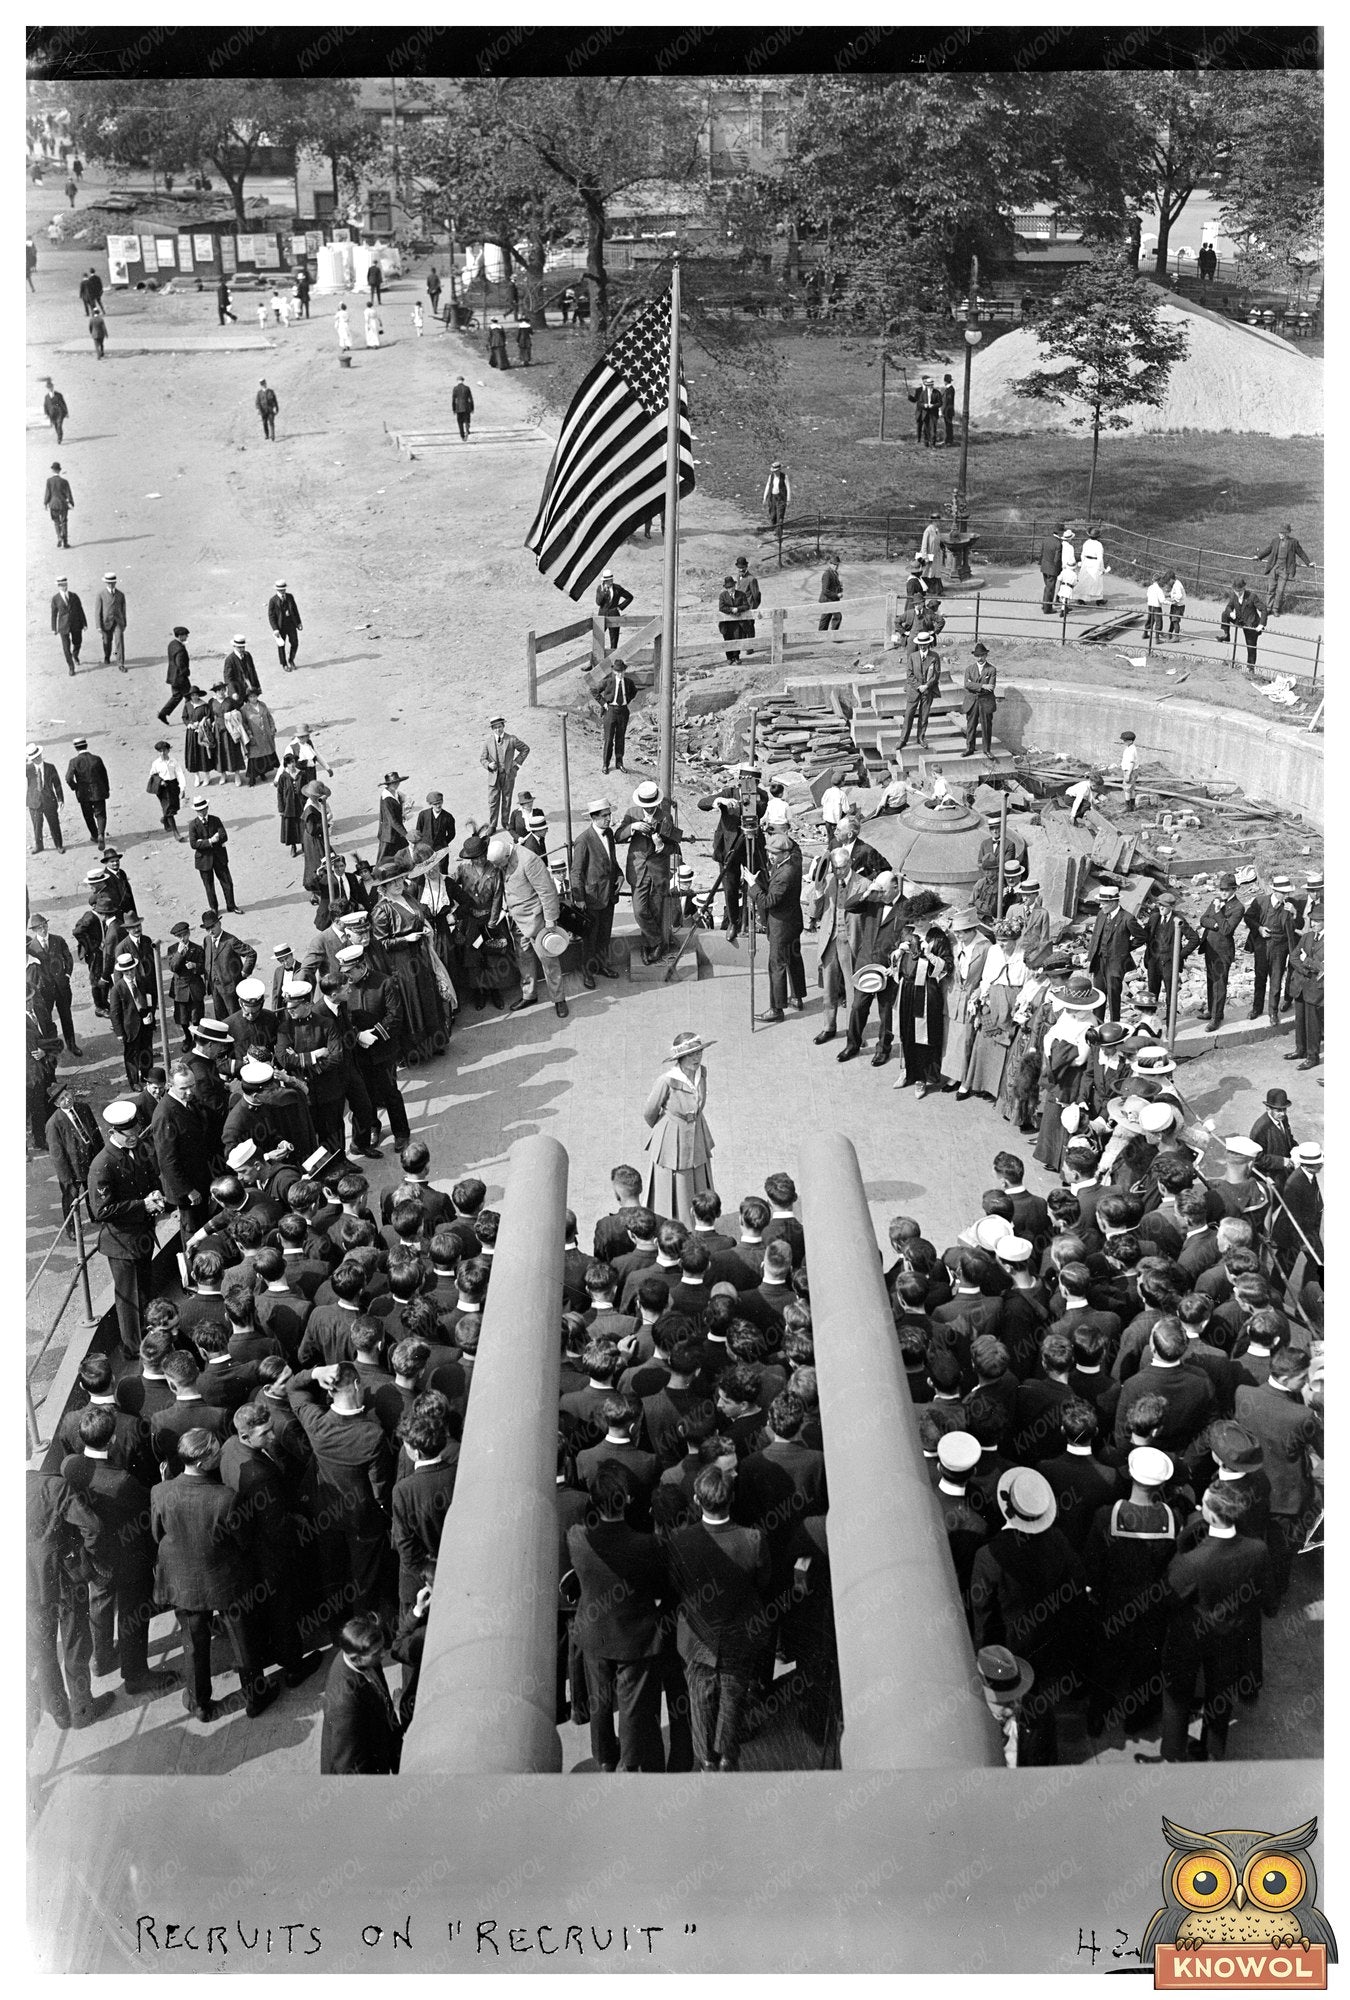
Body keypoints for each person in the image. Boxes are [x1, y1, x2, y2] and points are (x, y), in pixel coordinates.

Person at [150, 1427, 277, 1723]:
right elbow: (243, 1540)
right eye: (216, 1452)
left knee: (194, 1644)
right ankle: (255, 1697)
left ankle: (199, 1703)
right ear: (203, 1462)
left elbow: (157, 1534)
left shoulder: (161, 1491)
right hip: (225, 1580)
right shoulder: (226, 1498)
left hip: (183, 1581)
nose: (220, 1454)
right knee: (243, 1640)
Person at [666, 1464, 770, 1770]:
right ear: (731, 1498)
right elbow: (763, 1582)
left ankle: (706, 1762)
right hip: (739, 1638)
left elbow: (675, 1585)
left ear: (697, 1500)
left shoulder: (679, 1541)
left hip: (697, 1642)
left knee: (700, 1704)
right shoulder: (753, 1539)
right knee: (732, 1704)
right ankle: (727, 1759)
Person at [567, 1470, 669, 1771]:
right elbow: (659, 1586)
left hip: (594, 1632)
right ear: (626, 1500)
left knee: (599, 1701)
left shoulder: (576, 1537)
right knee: (631, 1705)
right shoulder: (647, 1544)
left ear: (594, 1502)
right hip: (634, 1636)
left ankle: (605, 1758)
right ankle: (629, 1762)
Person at [488, 830, 568, 1020]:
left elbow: (547, 892)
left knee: (549, 961)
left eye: (498, 864)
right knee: (523, 957)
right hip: (517, 920)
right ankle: (529, 994)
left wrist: (550, 921)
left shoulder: (529, 860)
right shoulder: (503, 858)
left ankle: (559, 999)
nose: (497, 867)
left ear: (506, 855)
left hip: (537, 920)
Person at [642, 1030, 715, 1224]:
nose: (696, 1058)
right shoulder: (666, 1081)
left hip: (696, 1132)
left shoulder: (702, 1073)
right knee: (678, 1182)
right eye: (691, 1054)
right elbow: (650, 1112)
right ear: (680, 1058)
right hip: (672, 1135)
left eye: (699, 1052)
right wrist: (665, 1130)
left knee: (699, 1176)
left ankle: (701, 1221)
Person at [320, 1613, 403, 1773]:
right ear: (356, 1658)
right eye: (377, 1652)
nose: (384, 1654)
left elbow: (383, 1699)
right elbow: (349, 1765)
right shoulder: (344, 1704)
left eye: (382, 1647)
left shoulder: (364, 1654)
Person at [758, 824, 806, 1024]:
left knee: (776, 965)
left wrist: (752, 886)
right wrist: (778, 832)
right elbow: (795, 846)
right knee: (794, 958)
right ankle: (797, 996)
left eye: (774, 853)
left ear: (784, 853)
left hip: (781, 926)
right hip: (793, 921)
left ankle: (776, 1009)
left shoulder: (784, 875)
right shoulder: (795, 859)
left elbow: (768, 902)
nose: (770, 857)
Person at [572, 799, 623, 988]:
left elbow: (612, 860)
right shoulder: (583, 840)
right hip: (592, 898)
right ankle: (587, 973)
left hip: (608, 895)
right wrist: (579, 898)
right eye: (604, 816)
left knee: (604, 935)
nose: (609, 819)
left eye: (609, 815)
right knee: (590, 939)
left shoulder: (608, 834)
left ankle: (602, 966)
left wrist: (619, 875)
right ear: (593, 818)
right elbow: (576, 872)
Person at [1196, 872, 1243, 1031]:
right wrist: (1216, 924)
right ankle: (1212, 1011)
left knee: (1219, 984)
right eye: (1221, 889)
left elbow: (1227, 929)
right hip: (1210, 947)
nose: (1223, 892)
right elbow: (1203, 919)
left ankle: (1216, 1018)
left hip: (1223, 951)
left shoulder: (1238, 907)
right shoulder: (1215, 901)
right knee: (1211, 981)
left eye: (1227, 890)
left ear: (1234, 889)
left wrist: (1217, 913)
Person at [1287, 905, 1324, 1070]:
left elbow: (1323, 967)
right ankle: (1300, 1050)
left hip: (1316, 989)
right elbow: (1293, 957)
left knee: (1312, 1024)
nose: (1313, 923)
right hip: (1301, 985)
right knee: (1300, 1020)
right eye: (1313, 920)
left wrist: (1306, 960)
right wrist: (1307, 969)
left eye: (1318, 921)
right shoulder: (1307, 936)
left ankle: (1312, 1056)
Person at [481, 714, 529, 830]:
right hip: (494, 776)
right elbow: (482, 759)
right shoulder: (488, 742)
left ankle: (505, 822)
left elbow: (525, 749)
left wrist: (516, 762)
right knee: (493, 801)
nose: (498, 729)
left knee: (507, 799)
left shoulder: (511, 739)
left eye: (500, 726)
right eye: (495, 727)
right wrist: (488, 765)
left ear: (503, 726)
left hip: (508, 775)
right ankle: (492, 825)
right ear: (492, 729)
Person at [1254, 523, 1314, 615]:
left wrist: (1308, 563)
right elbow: (1268, 550)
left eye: (1283, 532)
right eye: (1280, 532)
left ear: (1288, 533)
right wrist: (1258, 557)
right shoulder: (1275, 541)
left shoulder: (1293, 542)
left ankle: (1275, 609)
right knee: (1270, 589)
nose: (1280, 534)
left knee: (1280, 590)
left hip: (1285, 570)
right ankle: (1268, 608)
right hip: (1274, 568)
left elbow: (1301, 553)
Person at [1219, 576, 1266, 671]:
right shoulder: (1234, 596)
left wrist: (1261, 624)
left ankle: (1250, 668)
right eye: (1236, 591)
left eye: (1240, 591)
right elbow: (1228, 607)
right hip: (1240, 620)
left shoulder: (1252, 596)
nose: (1238, 593)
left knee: (1251, 646)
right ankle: (1226, 635)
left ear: (1244, 588)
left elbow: (1263, 609)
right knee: (1225, 614)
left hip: (1251, 625)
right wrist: (1231, 613)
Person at [26, 744, 64, 853]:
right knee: (37, 826)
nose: (37, 759)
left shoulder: (50, 767)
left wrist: (60, 799)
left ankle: (59, 845)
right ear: (31, 759)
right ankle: (39, 846)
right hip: (34, 801)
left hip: (49, 800)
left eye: (38, 756)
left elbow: (57, 784)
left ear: (41, 754)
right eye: (34, 758)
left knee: (54, 824)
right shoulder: (27, 769)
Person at [961, 644, 997, 758]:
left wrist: (975, 686)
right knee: (971, 725)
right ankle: (969, 748)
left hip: (986, 701)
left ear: (986, 655)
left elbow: (991, 687)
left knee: (986, 726)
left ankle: (987, 750)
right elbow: (967, 685)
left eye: (982, 655)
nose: (980, 658)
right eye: (977, 656)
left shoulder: (991, 669)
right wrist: (982, 686)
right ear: (974, 656)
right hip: (972, 701)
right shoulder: (969, 669)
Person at [51, 574, 86, 676]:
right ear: (58, 586)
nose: (64, 586)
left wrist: (84, 623)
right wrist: (54, 628)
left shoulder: (74, 596)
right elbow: (54, 614)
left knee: (78, 642)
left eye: (65, 584)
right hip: (63, 626)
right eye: (62, 585)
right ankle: (71, 667)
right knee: (66, 648)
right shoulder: (55, 599)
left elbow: (80, 610)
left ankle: (75, 655)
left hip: (76, 624)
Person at [158, 624, 192, 722]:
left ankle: (163, 713)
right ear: (180, 636)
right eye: (185, 635)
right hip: (180, 678)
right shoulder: (180, 649)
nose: (187, 636)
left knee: (177, 696)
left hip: (173, 676)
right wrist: (186, 672)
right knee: (190, 696)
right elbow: (180, 663)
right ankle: (189, 717)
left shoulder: (172, 644)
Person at [595, 569, 633, 654]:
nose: (610, 581)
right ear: (604, 581)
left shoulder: (617, 588)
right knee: (598, 637)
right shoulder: (600, 588)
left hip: (614, 615)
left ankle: (613, 659)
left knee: (614, 639)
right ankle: (597, 658)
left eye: (611, 579)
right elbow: (598, 602)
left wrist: (620, 607)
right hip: (602, 615)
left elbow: (629, 597)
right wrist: (604, 592)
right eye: (608, 580)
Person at [267, 579, 302, 671]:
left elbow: (295, 610)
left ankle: (291, 660)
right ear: (277, 589)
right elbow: (271, 616)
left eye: (284, 589)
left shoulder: (290, 597)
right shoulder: (273, 600)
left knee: (295, 643)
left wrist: (299, 623)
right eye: (280, 590)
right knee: (281, 645)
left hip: (291, 625)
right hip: (280, 627)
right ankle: (284, 664)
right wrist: (275, 629)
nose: (282, 591)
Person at [95, 571, 127, 669]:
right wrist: (98, 626)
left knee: (119, 642)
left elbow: (123, 609)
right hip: (106, 623)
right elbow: (97, 611)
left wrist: (124, 623)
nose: (111, 585)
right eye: (109, 583)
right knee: (107, 642)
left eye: (113, 583)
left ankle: (120, 662)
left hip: (118, 622)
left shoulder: (120, 594)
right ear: (106, 583)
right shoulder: (101, 594)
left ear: (115, 583)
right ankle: (107, 656)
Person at [43, 461, 73, 548]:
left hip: (53, 504)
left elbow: (48, 493)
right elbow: (68, 493)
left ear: (52, 470)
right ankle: (65, 542)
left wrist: (45, 503)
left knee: (56, 522)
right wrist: (71, 503)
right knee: (64, 522)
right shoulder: (64, 481)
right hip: (63, 503)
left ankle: (59, 537)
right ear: (59, 470)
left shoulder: (49, 481)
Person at [1036, 523, 1065, 613]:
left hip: (1044, 566)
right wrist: (1059, 569)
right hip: (1052, 569)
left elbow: (1042, 553)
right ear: (1060, 532)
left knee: (1047, 587)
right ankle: (1047, 608)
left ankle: (1044, 604)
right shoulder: (1058, 543)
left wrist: (1040, 563)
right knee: (1050, 589)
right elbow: (1057, 559)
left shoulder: (1046, 539)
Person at [717, 574, 747, 663]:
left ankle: (737, 657)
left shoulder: (741, 594)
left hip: (737, 623)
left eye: (732, 586)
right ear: (726, 588)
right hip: (726, 623)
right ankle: (729, 658)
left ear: (735, 585)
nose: (731, 588)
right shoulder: (723, 595)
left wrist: (738, 609)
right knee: (727, 638)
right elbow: (721, 607)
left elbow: (746, 606)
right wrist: (731, 610)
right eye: (728, 587)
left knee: (737, 638)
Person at [1074, 526, 1106, 604]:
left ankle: (1081, 598)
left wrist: (1083, 563)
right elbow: (1100, 558)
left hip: (1086, 562)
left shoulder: (1086, 543)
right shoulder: (1099, 545)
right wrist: (1102, 568)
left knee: (1084, 580)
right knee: (1097, 581)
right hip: (1095, 563)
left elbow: (1082, 554)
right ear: (1098, 536)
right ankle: (1098, 599)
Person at [817, 552, 843, 632]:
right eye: (834, 564)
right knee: (835, 617)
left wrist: (840, 587)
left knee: (827, 619)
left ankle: (824, 635)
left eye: (837, 565)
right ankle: (828, 635)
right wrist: (836, 595)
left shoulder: (835, 573)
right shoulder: (827, 574)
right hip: (827, 600)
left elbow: (834, 587)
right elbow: (825, 590)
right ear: (830, 564)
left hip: (831, 600)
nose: (836, 566)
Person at [763, 460, 790, 529]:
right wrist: (765, 497)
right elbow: (768, 486)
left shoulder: (784, 477)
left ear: (779, 470)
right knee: (772, 513)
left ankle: (778, 530)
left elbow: (788, 488)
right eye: (774, 471)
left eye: (776, 471)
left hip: (781, 498)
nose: (775, 472)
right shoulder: (771, 477)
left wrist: (788, 500)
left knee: (780, 514)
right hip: (772, 497)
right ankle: (773, 526)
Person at [1143, 573, 1165, 646]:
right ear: (1159, 581)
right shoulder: (1159, 590)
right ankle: (1157, 639)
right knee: (1158, 622)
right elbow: (1162, 600)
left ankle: (1145, 633)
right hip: (1157, 607)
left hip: (1150, 605)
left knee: (1150, 619)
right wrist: (1170, 602)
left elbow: (1148, 595)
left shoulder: (1150, 587)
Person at [43, 379, 68, 444]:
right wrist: (46, 413)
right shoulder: (46, 397)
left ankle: (59, 438)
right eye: (49, 388)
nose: (50, 389)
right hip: (52, 414)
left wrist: (66, 412)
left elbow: (63, 403)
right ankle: (59, 434)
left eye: (51, 387)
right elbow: (45, 405)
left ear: (53, 387)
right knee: (56, 426)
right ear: (47, 388)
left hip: (60, 412)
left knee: (59, 425)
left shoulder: (58, 395)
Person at [254, 378, 278, 442]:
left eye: (264, 384)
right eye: (262, 385)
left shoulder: (271, 391)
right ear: (261, 385)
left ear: (266, 384)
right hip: (263, 411)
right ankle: (267, 434)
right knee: (264, 423)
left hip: (270, 410)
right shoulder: (259, 393)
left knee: (271, 422)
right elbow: (257, 402)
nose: (264, 385)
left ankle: (272, 436)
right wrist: (258, 409)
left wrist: (275, 408)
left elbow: (275, 400)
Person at [1166, 573, 1186, 641]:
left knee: (1175, 621)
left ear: (1171, 579)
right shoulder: (1175, 584)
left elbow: (1179, 595)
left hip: (1178, 606)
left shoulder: (1177, 585)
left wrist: (1174, 600)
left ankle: (1176, 636)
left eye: (1168, 581)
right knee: (1172, 619)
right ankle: (1169, 633)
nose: (1168, 583)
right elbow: (1174, 593)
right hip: (1175, 605)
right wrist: (1169, 595)